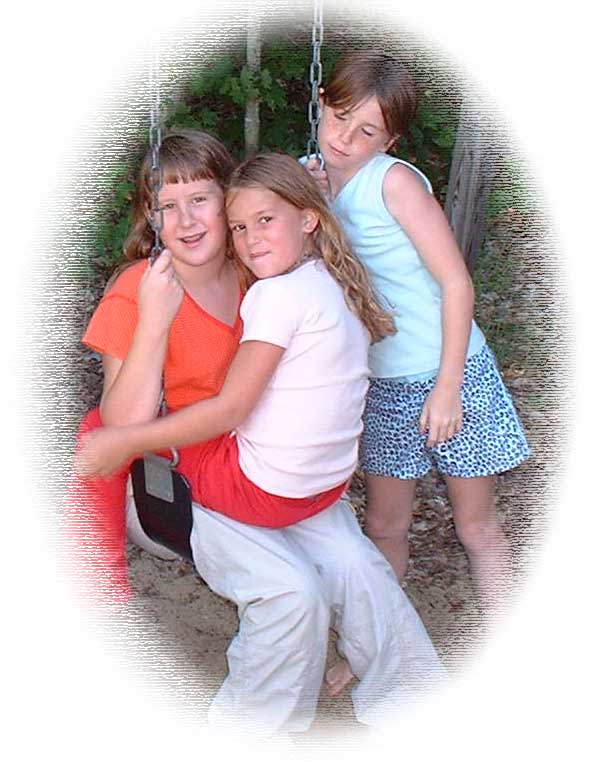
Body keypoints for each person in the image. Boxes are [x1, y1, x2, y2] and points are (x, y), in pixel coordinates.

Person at [67, 135, 445, 737]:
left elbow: (298, 219)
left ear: (229, 201)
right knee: (292, 594)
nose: (186, 220)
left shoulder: (258, 266)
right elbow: (122, 427)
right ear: (150, 216)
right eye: (167, 205)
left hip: (264, 466)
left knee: (359, 567)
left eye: (201, 199)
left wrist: (318, 181)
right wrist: (156, 322)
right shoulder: (139, 286)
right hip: (179, 480)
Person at [305, 51, 530, 613]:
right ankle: (375, 650)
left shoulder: (395, 183)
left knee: (476, 525)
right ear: (322, 104)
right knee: (385, 527)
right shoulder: (308, 177)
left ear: (389, 141)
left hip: (448, 368)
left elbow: (456, 283)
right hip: (381, 382)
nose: (345, 138)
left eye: (366, 130)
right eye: (339, 117)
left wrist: (448, 387)